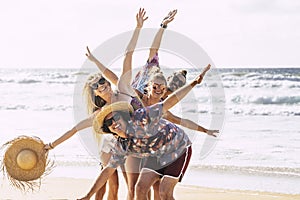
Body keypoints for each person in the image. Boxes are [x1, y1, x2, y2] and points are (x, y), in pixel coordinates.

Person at [44, 8, 148, 200]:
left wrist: (138, 28)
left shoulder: (123, 90)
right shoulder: (101, 114)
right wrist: (51, 145)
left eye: (104, 83)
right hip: (113, 145)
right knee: (113, 187)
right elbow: (75, 129)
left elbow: (128, 55)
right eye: (99, 87)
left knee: (132, 186)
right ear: (96, 94)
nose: (104, 87)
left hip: (133, 140)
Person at [77, 64, 216, 200]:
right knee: (140, 188)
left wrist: (194, 83)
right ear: (108, 129)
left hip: (177, 147)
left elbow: (168, 103)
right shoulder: (121, 145)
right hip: (156, 154)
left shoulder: (141, 117)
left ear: (123, 115)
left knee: (165, 193)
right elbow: (107, 171)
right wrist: (87, 196)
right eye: (109, 123)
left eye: (116, 117)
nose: (114, 123)